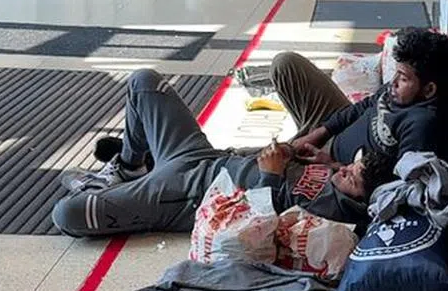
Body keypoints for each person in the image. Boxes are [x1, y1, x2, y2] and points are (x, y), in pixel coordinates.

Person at [52, 69, 393, 237]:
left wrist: (271, 174)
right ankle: (129, 167)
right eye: (351, 167)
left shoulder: (336, 214)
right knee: (144, 81)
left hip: (187, 194)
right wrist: (315, 157)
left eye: (351, 176)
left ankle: (113, 190)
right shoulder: (340, 174)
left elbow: (265, 230)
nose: (345, 170)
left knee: (67, 214)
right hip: (205, 158)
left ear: (362, 200)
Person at [269, 28, 448, 166]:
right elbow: (361, 107)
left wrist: (331, 165)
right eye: (396, 73)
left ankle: (278, 151)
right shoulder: (399, 91)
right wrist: (318, 133)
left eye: (404, 78)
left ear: (429, 90)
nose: (394, 81)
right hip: (334, 131)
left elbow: (393, 187)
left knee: (263, 167)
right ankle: (300, 138)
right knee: (285, 63)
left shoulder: (421, 125)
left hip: (337, 171)